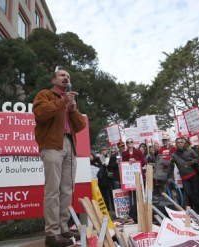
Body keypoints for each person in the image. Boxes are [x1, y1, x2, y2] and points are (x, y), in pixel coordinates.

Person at [33, 69, 86, 247]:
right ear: (54, 79)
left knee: (67, 189)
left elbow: (80, 125)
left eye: (68, 76)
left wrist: (72, 110)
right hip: (52, 145)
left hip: (70, 144)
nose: (66, 78)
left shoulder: (70, 100)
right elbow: (40, 114)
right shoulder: (45, 94)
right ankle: (52, 232)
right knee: (53, 190)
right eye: (63, 75)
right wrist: (62, 101)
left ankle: (63, 227)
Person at [168, 137, 199, 214]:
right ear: (176, 144)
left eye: (181, 142)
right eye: (178, 142)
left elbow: (198, 158)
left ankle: (197, 211)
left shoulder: (190, 151)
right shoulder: (173, 155)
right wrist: (169, 177)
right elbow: (170, 167)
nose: (180, 143)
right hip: (184, 177)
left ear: (184, 143)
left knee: (195, 193)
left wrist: (193, 161)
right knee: (188, 193)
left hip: (193, 175)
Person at [98, 146, 114, 211]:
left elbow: (112, 165)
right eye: (102, 150)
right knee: (104, 194)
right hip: (103, 179)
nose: (103, 151)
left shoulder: (110, 157)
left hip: (110, 178)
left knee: (111, 193)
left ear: (107, 150)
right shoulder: (99, 158)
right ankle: (107, 207)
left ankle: (112, 207)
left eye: (105, 150)